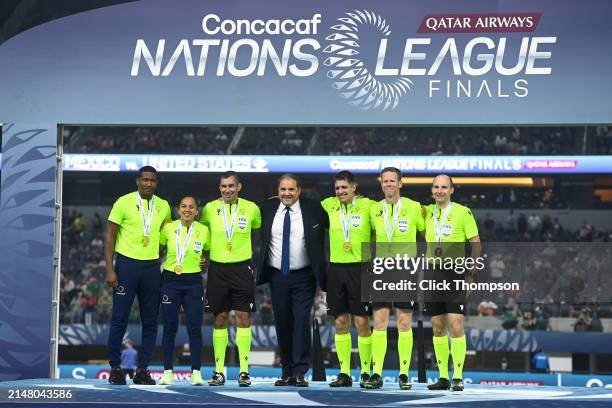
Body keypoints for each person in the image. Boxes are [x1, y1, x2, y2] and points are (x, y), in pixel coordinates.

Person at [105, 166, 172, 385]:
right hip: (126, 266)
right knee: (119, 319)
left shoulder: (163, 206)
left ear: (157, 183)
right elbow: (109, 237)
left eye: (152, 180)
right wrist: (110, 269)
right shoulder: (123, 202)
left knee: (151, 321)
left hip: (152, 267)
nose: (148, 184)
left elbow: (171, 238)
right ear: (137, 181)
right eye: (145, 180)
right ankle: (115, 368)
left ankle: (143, 370)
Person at [258, 174, 326, 387]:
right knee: (282, 322)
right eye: (283, 190)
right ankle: (286, 370)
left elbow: (336, 218)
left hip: (304, 275)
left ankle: (300, 371)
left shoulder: (314, 209)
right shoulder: (267, 209)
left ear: (299, 191)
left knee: (300, 320)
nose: (287, 193)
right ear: (277, 191)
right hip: (277, 275)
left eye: (291, 190)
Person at [200, 171, 261, 387]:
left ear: (239, 187)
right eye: (224, 186)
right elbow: (201, 233)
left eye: (231, 186)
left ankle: (244, 372)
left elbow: (260, 228)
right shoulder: (208, 209)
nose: (227, 190)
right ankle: (218, 372)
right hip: (217, 270)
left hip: (242, 269)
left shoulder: (251, 209)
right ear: (219, 188)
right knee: (220, 319)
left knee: (244, 318)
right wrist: (201, 256)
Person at [366, 167, 425, 390]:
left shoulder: (413, 207)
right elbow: (369, 234)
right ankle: (377, 373)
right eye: (385, 181)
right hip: (381, 268)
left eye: (392, 181)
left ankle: (403, 374)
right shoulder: (373, 209)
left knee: (403, 323)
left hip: (405, 269)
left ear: (401, 183)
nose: (388, 184)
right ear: (381, 184)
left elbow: (427, 230)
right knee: (379, 322)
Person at [424, 174, 480, 392]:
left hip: (456, 273)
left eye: (444, 187)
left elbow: (475, 242)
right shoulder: (426, 212)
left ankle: (458, 377)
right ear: (432, 190)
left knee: (456, 323)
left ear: (451, 190)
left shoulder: (463, 212)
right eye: (436, 187)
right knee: (438, 327)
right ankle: (443, 377)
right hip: (432, 273)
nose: (440, 190)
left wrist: (471, 273)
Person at [321, 171, 374, 388]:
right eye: (337, 188)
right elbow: (303, 208)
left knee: (362, 321)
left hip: (360, 269)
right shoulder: (328, 204)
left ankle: (365, 371)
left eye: (344, 187)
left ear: (354, 187)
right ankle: (344, 373)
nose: (340, 192)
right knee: (340, 321)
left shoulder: (369, 206)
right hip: (336, 269)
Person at [158, 196, 210, 386]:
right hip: (170, 280)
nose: (187, 210)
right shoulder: (168, 228)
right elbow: (158, 248)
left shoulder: (204, 231)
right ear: (178, 210)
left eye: (191, 207)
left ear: (197, 211)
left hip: (193, 281)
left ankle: (196, 372)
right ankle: (167, 372)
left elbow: (207, 251)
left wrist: (203, 259)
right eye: (183, 206)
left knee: (194, 328)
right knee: (169, 327)